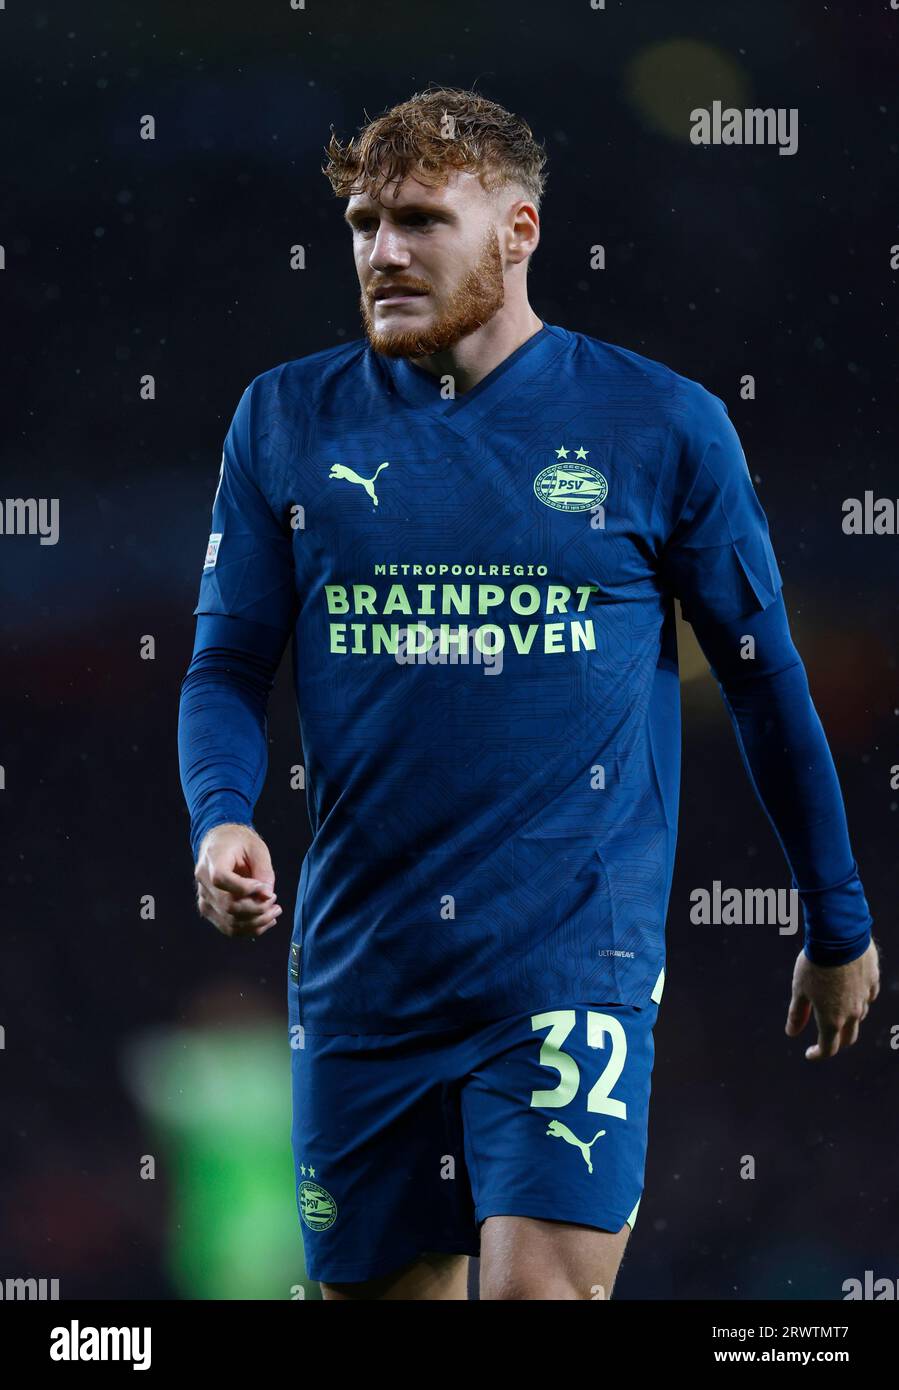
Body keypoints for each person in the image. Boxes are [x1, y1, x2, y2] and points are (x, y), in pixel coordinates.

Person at [178, 86, 879, 1301]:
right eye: (359, 223)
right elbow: (228, 663)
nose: (381, 252)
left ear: (518, 230)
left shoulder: (660, 425)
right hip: (363, 969)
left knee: (535, 1294)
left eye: (417, 219)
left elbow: (767, 687)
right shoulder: (284, 418)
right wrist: (222, 813)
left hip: (566, 959)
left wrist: (836, 917)